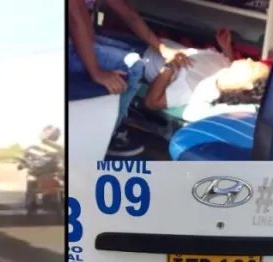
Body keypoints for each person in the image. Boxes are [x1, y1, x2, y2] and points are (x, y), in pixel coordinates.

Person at [68, 0, 192, 157]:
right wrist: (97, 72)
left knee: (138, 49)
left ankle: (107, 120)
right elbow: (75, 20)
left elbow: (128, 15)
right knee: (133, 65)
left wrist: (162, 48)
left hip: (80, 35)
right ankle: (111, 134)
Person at [143, 29, 271, 121]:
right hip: (159, 44)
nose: (250, 60)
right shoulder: (226, 72)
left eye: (253, 67)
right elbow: (230, 65)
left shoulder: (198, 91)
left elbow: (152, 102)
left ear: (247, 84)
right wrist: (226, 47)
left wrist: (169, 66)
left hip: (143, 56)